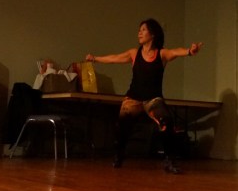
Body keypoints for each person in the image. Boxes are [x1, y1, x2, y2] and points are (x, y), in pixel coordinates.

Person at [86, 19, 203, 174]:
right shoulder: (134, 53)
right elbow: (115, 58)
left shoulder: (161, 54)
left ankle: (169, 160)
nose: (139, 33)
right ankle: (118, 155)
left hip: (153, 100)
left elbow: (176, 51)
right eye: (139, 30)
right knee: (121, 127)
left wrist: (189, 51)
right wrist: (95, 59)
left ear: (152, 34)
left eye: (143, 30)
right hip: (133, 98)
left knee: (166, 122)